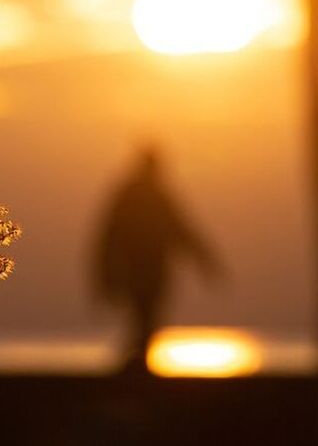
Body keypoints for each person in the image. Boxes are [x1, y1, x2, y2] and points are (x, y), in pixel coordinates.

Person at [92, 145, 222, 373]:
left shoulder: (149, 194)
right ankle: (135, 367)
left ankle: (135, 366)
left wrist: (206, 262)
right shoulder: (137, 194)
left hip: (150, 271)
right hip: (140, 270)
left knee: (147, 319)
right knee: (145, 318)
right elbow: (110, 236)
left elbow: (181, 230)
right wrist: (105, 273)